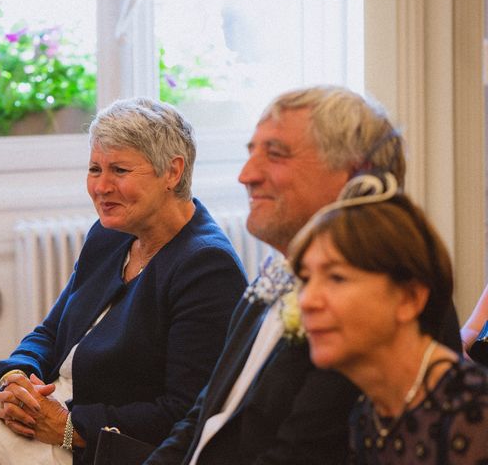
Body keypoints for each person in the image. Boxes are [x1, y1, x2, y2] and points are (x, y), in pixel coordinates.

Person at [0, 98, 248, 465]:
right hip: (40, 417)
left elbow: (184, 412)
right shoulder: (110, 234)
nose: (101, 186)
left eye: (119, 170)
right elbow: (52, 331)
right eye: (95, 169)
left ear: (173, 172)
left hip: (83, 448)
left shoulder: (206, 266)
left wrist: (71, 426)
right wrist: (15, 377)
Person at [143, 85, 462, 465]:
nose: (246, 176)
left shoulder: (376, 301)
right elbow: (204, 417)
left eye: (275, 154)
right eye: (251, 153)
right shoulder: (276, 274)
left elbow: (301, 453)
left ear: (355, 174)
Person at [289, 172, 488, 463]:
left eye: (336, 278)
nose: (307, 300)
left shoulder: (476, 415)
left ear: (409, 298)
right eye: (305, 279)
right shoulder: (369, 413)